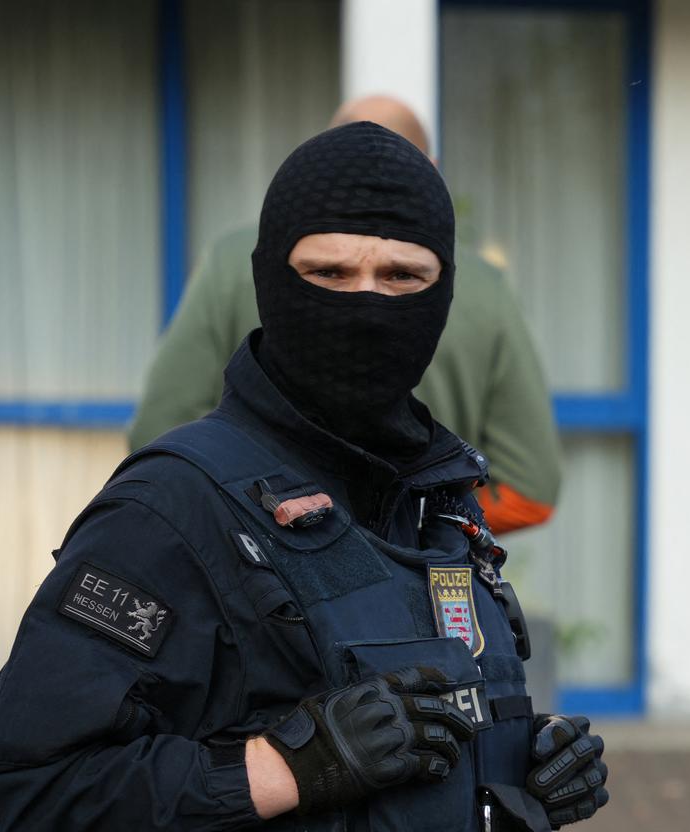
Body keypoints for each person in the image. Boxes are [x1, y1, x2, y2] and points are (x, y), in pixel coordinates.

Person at [0, 123, 607, 832]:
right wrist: (281, 767)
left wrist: (520, 770)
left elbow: (400, 750)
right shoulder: (171, 510)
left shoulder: (442, 510)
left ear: (443, 298)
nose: (364, 303)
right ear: (271, 280)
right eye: (330, 271)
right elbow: (25, 801)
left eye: (401, 278)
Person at [128, 95, 563, 536]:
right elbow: (530, 491)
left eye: (401, 277)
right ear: (431, 169)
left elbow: (157, 435)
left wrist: (263, 531)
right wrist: (420, 530)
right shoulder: (484, 287)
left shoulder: (231, 263)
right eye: (329, 274)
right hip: (424, 583)